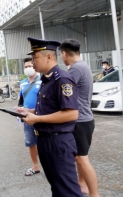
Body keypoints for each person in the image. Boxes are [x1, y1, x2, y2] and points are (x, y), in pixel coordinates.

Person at [17, 37, 82, 197]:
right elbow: (49, 108)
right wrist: (30, 112)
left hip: (58, 142)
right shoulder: (46, 80)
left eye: (35, 58)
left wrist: (37, 119)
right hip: (45, 140)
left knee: (68, 191)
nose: (32, 62)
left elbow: (72, 113)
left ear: (49, 57)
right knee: (56, 187)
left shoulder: (62, 79)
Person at [59, 39, 99, 197]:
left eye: (61, 55)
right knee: (79, 156)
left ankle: (94, 194)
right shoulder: (84, 66)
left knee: (82, 159)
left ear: (64, 53)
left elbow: (62, 93)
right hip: (85, 119)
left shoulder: (75, 69)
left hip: (80, 121)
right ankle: (81, 184)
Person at [17, 57, 41, 176]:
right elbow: (21, 100)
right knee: (31, 143)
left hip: (41, 118)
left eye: (30, 66)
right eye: (26, 67)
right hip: (27, 119)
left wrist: (34, 111)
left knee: (45, 143)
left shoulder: (43, 81)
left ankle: (51, 166)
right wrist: (19, 111)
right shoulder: (22, 83)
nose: (28, 68)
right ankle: (35, 166)